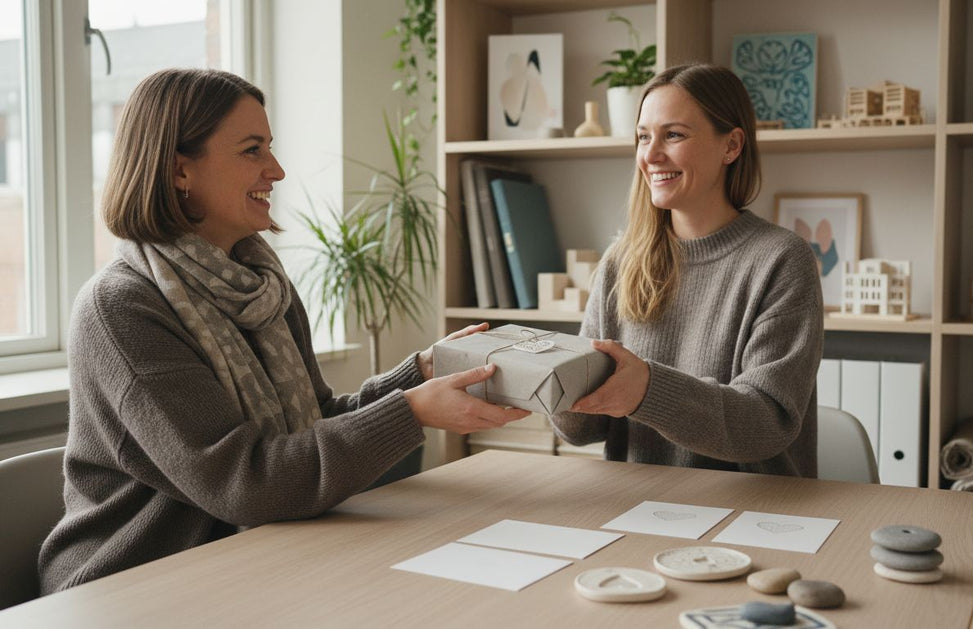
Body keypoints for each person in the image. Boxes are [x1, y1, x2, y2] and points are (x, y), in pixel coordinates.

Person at [39, 68, 528, 593]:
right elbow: (246, 483)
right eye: (252, 150)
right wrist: (412, 412)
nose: (277, 170)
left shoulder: (263, 285)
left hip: (253, 555)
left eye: (270, 148)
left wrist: (418, 376)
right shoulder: (122, 309)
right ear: (181, 170)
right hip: (132, 582)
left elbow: (313, 423)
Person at [550, 64, 823, 478]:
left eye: (673, 134)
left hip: (755, 515)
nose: (650, 155)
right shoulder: (620, 263)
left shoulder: (782, 260)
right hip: (641, 508)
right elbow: (583, 430)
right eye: (643, 137)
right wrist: (551, 386)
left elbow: (767, 423)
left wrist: (645, 389)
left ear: (731, 146)